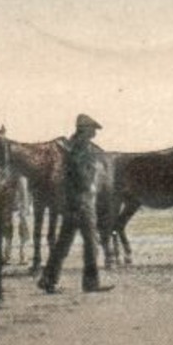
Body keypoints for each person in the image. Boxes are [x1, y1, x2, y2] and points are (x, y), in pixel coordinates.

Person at [39, 114, 114, 294]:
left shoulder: (74, 146)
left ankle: (48, 279)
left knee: (63, 244)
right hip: (82, 201)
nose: (95, 132)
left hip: (73, 201)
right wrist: (91, 185)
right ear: (84, 129)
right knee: (91, 243)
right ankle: (91, 283)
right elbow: (81, 173)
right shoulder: (82, 148)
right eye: (92, 129)